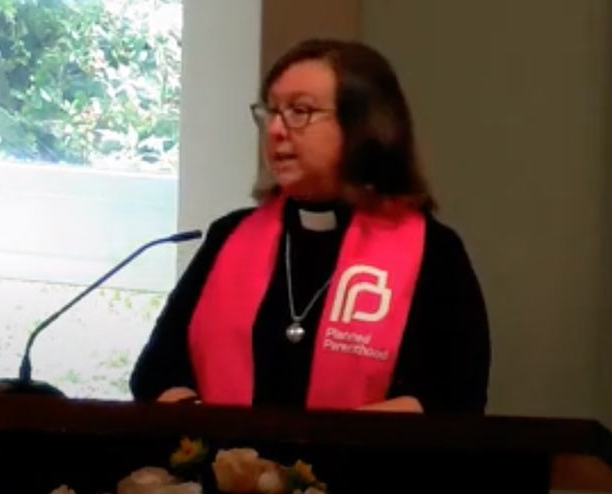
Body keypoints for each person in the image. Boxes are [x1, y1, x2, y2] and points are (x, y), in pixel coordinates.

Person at [130, 38, 490, 413]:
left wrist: (319, 444)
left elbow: (454, 398)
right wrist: (219, 436)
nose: (275, 130)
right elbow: (156, 375)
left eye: (299, 111)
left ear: (362, 125)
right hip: (222, 452)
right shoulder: (230, 237)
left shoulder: (433, 252)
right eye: (272, 111)